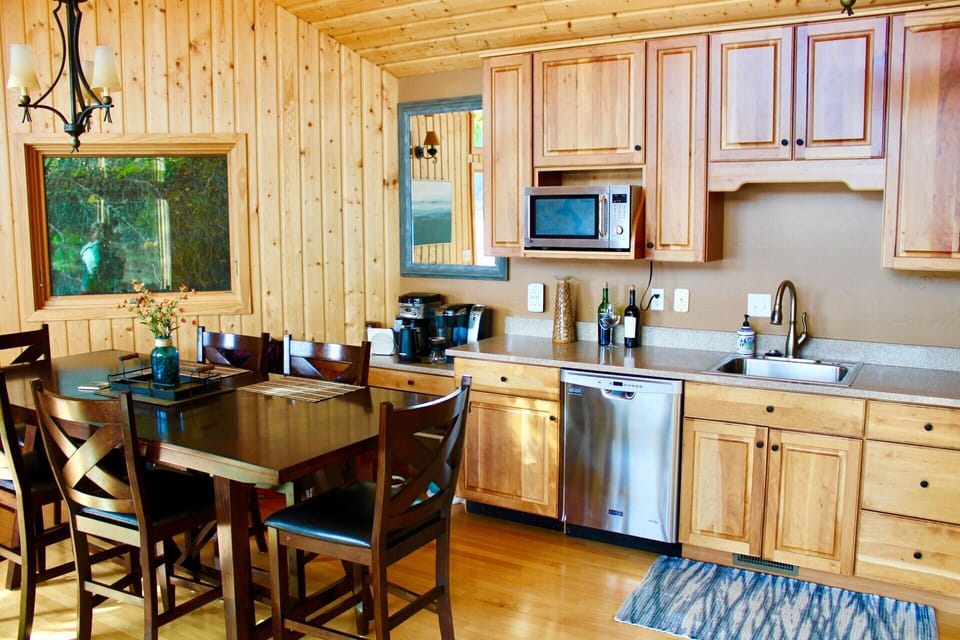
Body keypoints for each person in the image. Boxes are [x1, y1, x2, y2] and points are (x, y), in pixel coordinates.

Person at [80, 222, 124, 294]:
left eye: (105, 234)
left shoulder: (107, 251)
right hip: (91, 293)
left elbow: (119, 275)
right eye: (100, 233)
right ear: (92, 234)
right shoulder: (92, 250)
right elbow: (96, 271)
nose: (103, 237)